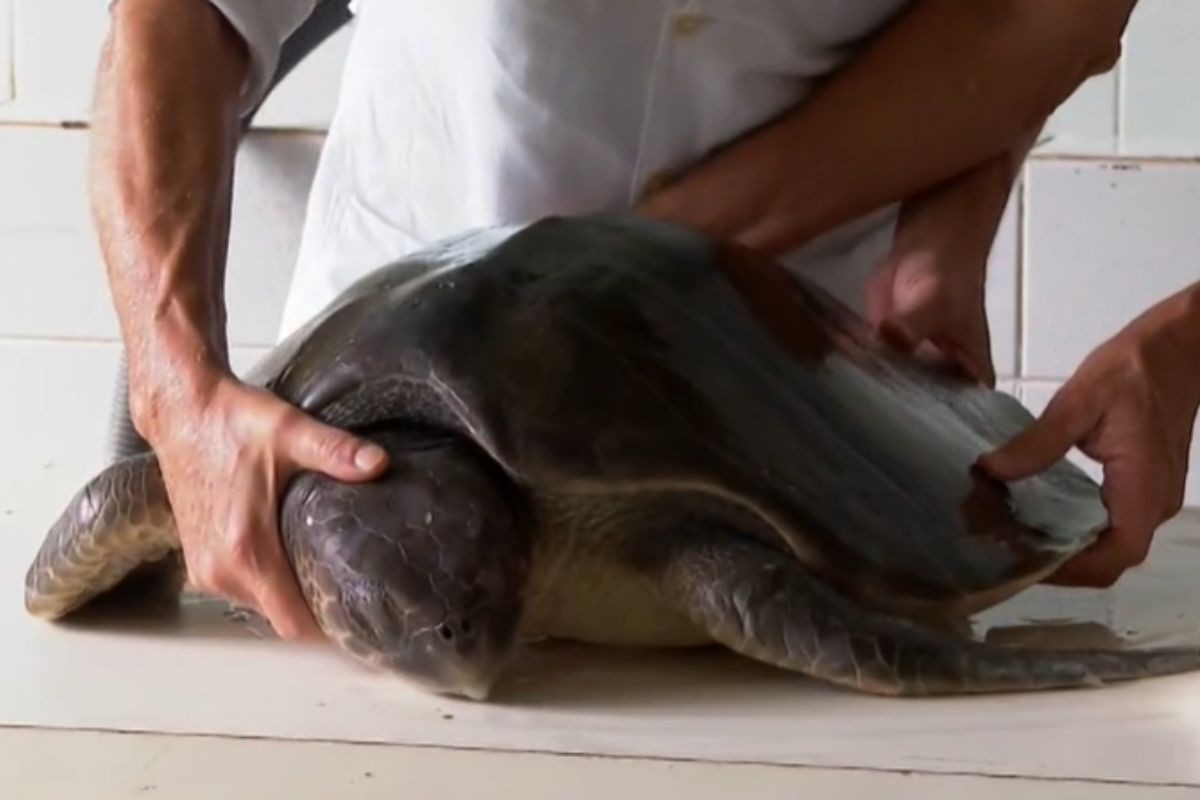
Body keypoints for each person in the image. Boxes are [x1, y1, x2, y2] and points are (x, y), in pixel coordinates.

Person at [90, 0, 1149, 640]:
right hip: (388, 424)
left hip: (801, 412)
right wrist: (176, 387)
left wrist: (943, 224)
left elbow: (1038, 15)